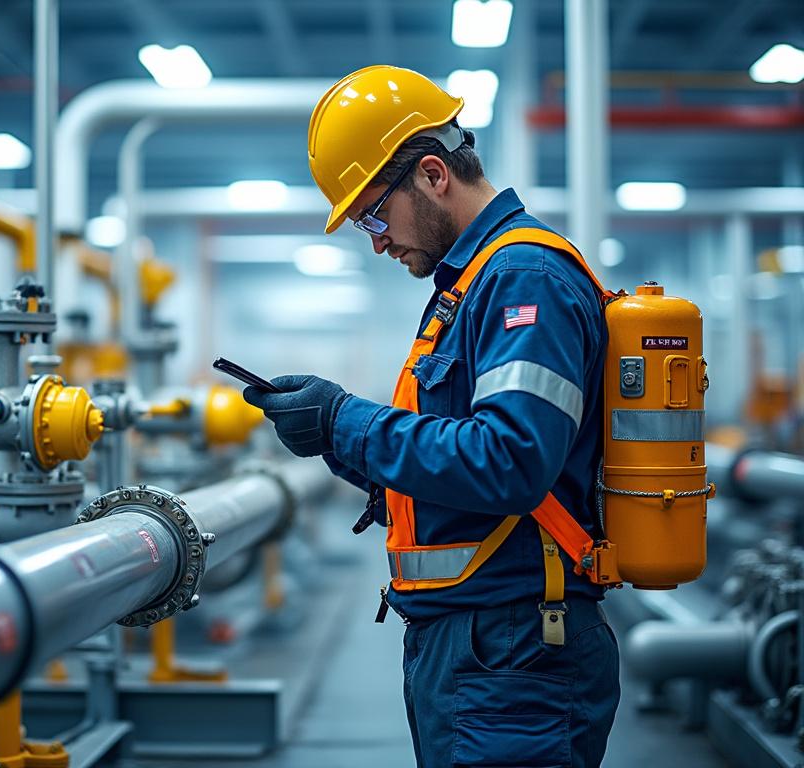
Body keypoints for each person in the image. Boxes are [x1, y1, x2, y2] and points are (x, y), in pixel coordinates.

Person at [242, 66, 620, 767]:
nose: (376, 240)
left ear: (434, 174)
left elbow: (509, 460)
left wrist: (344, 421)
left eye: (373, 214)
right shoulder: (471, 284)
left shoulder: (523, 279)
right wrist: (336, 441)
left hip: (515, 654)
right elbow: (466, 449)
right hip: (479, 647)